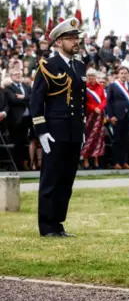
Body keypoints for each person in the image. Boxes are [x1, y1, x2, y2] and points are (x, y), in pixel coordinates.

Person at [30, 17, 86, 237]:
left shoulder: (80, 65)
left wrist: (81, 130)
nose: (75, 42)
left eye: (76, 38)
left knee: (66, 180)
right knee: (50, 179)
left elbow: (80, 101)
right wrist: (41, 131)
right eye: (70, 38)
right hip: (54, 131)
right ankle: (46, 227)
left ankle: (58, 224)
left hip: (73, 131)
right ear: (58, 42)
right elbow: (36, 101)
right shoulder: (48, 66)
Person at [106, 66, 129, 169]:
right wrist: (111, 116)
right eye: (122, 73)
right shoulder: (113, 86)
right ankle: (116, 162)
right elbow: (108, 102)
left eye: (125, 73)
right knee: (117, 140)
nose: (124, 75)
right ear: (118, 74)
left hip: (128, 117)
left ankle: (124, 162)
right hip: (117, 116)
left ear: (128, 74)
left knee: (126, 140)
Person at [82, 69, 107, 169]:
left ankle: (96, 161)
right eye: (89, 76)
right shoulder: (84, 88)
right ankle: (86, 161)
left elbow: (104, 100)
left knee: (98, 138)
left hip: (99, 116)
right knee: (87, 138)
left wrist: (99, 108)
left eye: (93, 76)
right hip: (89, 115)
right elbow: (84, 101)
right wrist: (93, 108)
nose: (91, 78)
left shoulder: (100, 87)